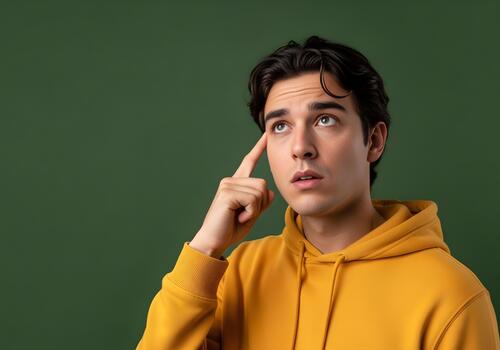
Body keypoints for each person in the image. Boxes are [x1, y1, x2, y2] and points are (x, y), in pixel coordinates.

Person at [136, 36, 499, 349]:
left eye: (325, 119)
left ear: (373, 141)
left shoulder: (451, 294)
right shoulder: (239, 274)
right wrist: (204, 251)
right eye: (280, 126)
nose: (300, 147)